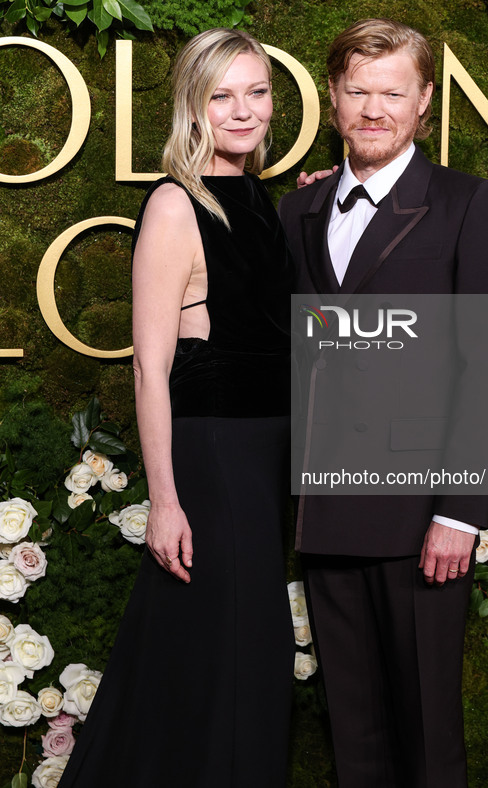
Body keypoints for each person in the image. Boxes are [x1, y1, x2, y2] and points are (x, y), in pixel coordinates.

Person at [278, 18, 488, 788]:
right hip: (327, 506)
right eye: (357, 92)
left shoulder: (468, 204)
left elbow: (487, 365)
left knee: (426, 735)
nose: (372, 110)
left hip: (421, 513)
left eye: (391, 93)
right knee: (354, 730)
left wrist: (459, 512)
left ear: (423, 104)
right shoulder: (298, 211)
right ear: (332, 98)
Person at [58, 28, 294, 788]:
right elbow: (148, 370)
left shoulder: (259, 198)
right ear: (192, 106)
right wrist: (164, 499)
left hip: (262, 458)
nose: (242, 110)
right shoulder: (171, 204)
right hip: (212, 460)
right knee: (210, 651)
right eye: (221, 95)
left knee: (244, 650)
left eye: (255, 92)